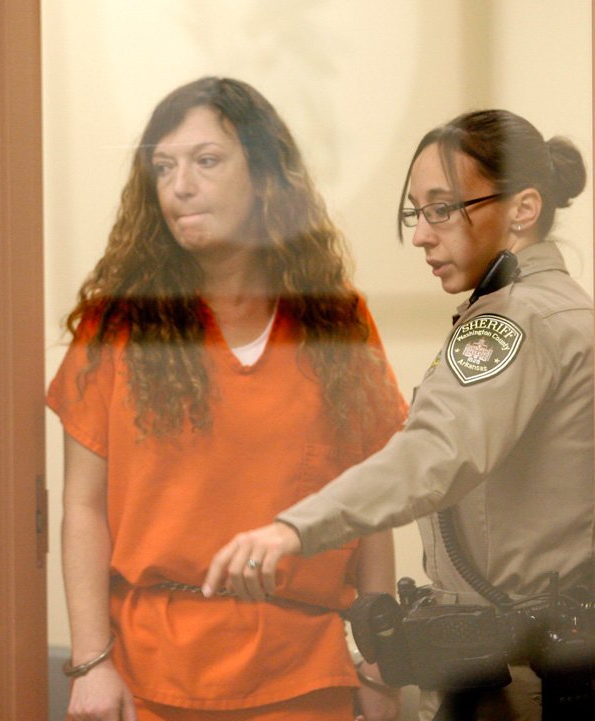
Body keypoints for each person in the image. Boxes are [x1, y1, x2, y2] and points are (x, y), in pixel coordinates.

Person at [203, 109, 594, 721]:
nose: (422, 234)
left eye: (442, 208)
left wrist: (293, 529)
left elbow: (430, 454)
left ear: (523, 208)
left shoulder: (514, 320)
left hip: (516, 683)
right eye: (418, 212)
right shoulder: (562, 309)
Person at [47, 77, 408, 721]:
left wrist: (381, 662)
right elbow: (81, 508)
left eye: (206, 161)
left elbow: (372, 502)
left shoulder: (337, 319)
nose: (179, 185)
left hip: (304, 672)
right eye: (163, 167)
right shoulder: (116, 324)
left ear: (265, 174)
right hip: (148, 671)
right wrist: (91, 663)